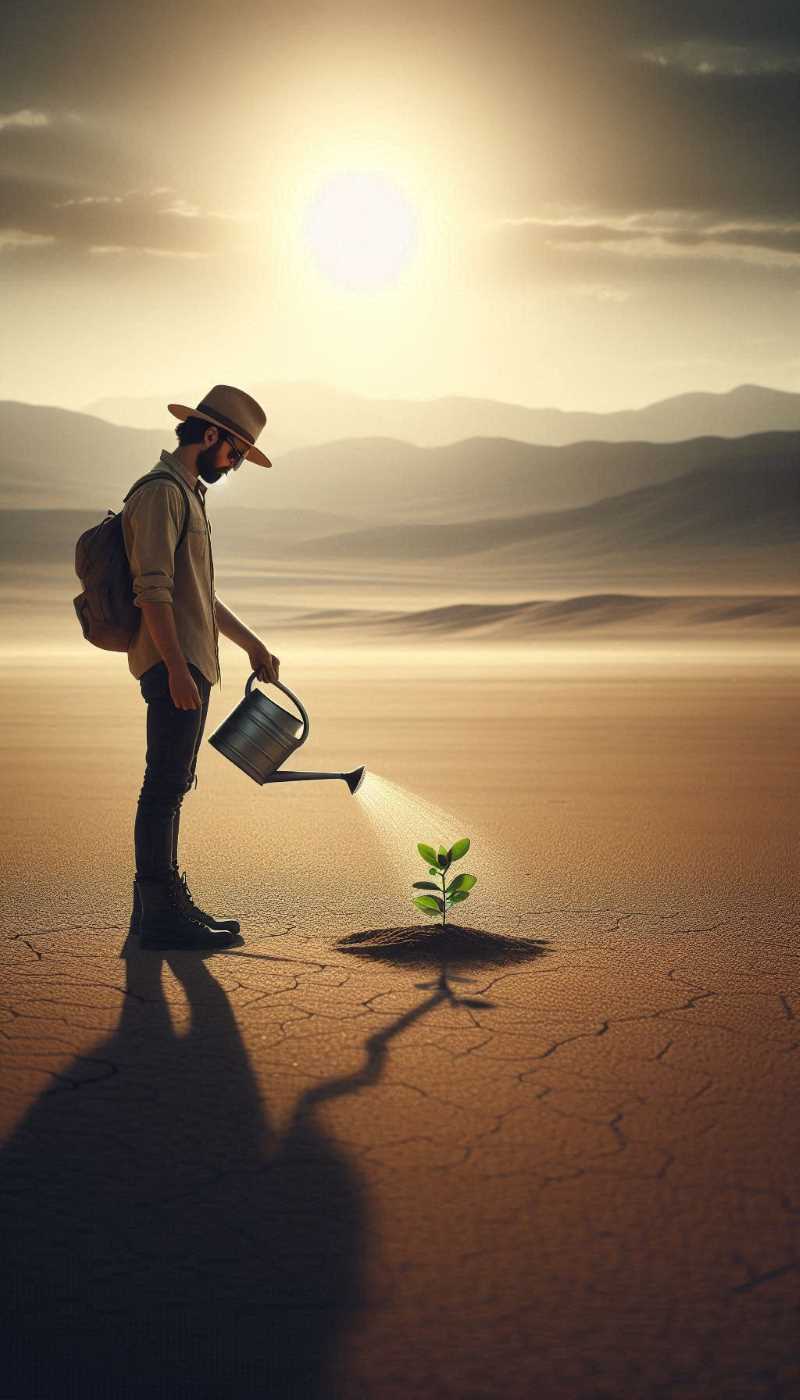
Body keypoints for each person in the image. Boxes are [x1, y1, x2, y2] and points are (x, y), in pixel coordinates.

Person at [122, 385, 280, 950]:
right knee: (162, 788)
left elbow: (200, 596)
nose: (234, 465)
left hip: (190, 660)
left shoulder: (189, 494)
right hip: (175, 665)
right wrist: (175, 669)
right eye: (234, 453)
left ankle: (157, 910)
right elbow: (153, 592)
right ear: (209, 435)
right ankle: (161, 914)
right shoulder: (161, 494)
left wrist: (250, 644)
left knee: (173, 785)